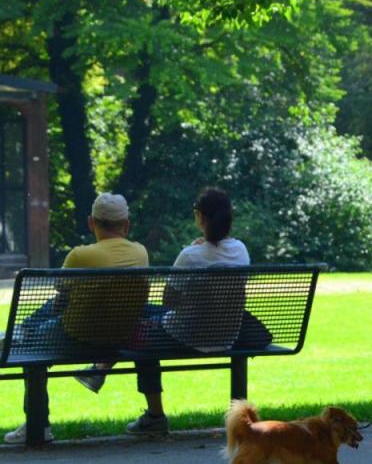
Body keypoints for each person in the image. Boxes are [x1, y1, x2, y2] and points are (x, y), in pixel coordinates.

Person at [81, 187, 250, 437]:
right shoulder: (240, 250)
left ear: (200, 217)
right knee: (143, 314)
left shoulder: (190, 255)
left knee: (139, 329)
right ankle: (101, 368)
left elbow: (168, 300)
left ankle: (153, 414)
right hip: (226, 334)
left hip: (187, 334)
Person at [1, 192, 149, 444]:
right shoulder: (140, 253)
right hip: (120, 335)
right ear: (126, 224)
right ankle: (23, 330)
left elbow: (60, 287)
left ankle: (38, 423)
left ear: (92, 222)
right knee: (66, 302)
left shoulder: (81, 255)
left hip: (77, 336)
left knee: (30, 344)